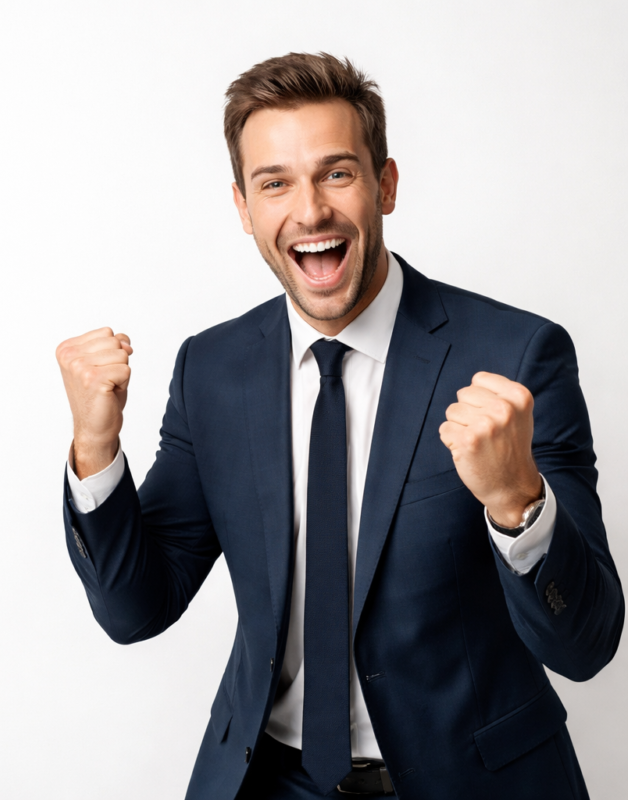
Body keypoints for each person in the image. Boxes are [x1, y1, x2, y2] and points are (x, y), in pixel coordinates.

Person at [54, 53, 622, 800]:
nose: (310, 210)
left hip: (469, 781)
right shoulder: (213, 370)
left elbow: (584, 645)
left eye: (337, 173)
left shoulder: (516, 356)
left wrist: (519, 502)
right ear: (243, 207)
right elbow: (138, 608)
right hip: (264, 781)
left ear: (385, 185)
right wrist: (95, 449)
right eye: (275, 182)